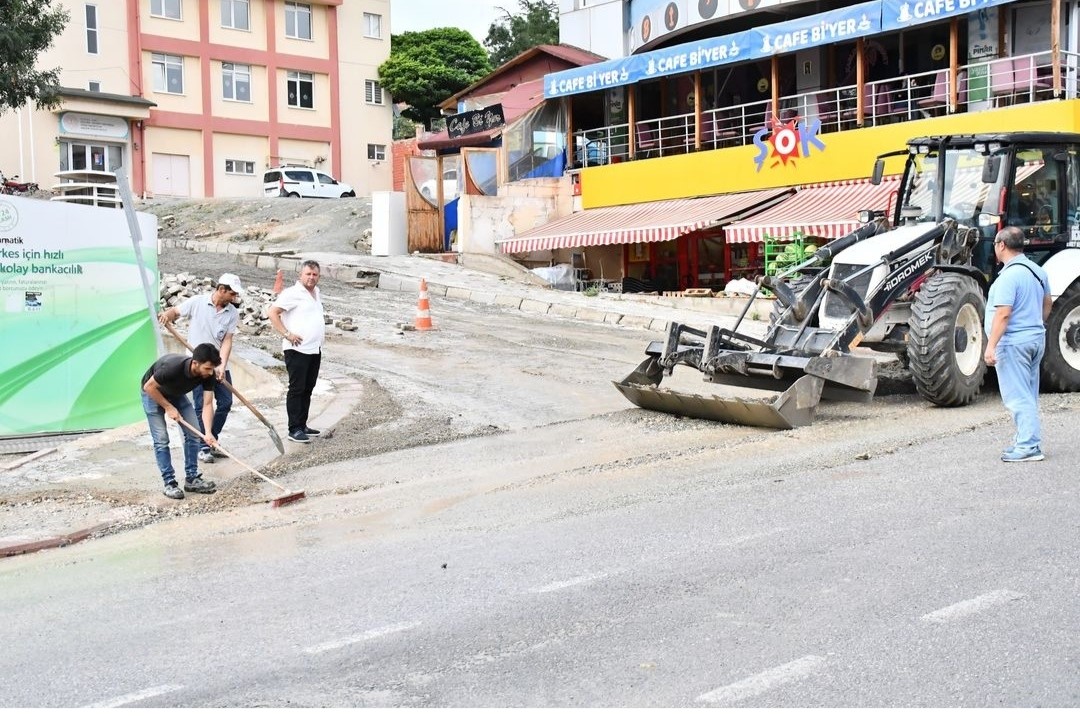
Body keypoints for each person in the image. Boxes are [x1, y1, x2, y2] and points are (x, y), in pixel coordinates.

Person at [157, 273, 245, 464]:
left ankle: (209, 440)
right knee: (202, 405)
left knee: (225, 403)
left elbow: (227, 341)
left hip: (219, 364)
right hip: (198, 367)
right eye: (232, 294)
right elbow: (176, 312)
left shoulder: (232, 313)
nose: (234, 298)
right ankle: (204, 446)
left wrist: (221, 365)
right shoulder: (197, 302)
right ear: (222, 290)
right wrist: (166, 316)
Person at [983, 226, 1053, 462]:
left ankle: (1028, 446)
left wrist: (991, 346)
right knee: (1028, 394)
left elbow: (1003, 313)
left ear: (1001, 245)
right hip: (1035, 338)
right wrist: (1035, 325)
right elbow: (1047, 304)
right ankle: (1026, 439)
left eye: (995, 244)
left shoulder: (1008, 277)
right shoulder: (1037, 271)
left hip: (1013, 343)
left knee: (1017, 397)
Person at [141, 343, 222, 499]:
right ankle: (169, 483)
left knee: (194, 433)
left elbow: (207, 404)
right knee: (162, 440)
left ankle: (192, 478)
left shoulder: (208, 374)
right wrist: (168, 407)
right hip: (152, 394)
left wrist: (208, 432)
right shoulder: (172, 367)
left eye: (212, 368)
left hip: (176, 393)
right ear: (195, 363)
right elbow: (148, 387)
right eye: (207, 368)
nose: (210, 372)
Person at [268, 261, 325, 443]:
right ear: (301, 275)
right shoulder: (292, 293)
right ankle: (294, 429)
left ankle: (302, 424)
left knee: (308, 388)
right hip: (297, 350)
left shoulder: (316, 293)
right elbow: (272, 312)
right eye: (308, 274)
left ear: (318, 276)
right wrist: (287, 334)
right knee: (297, 388)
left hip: (314, 349)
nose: (311, 277)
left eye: (314, 275)